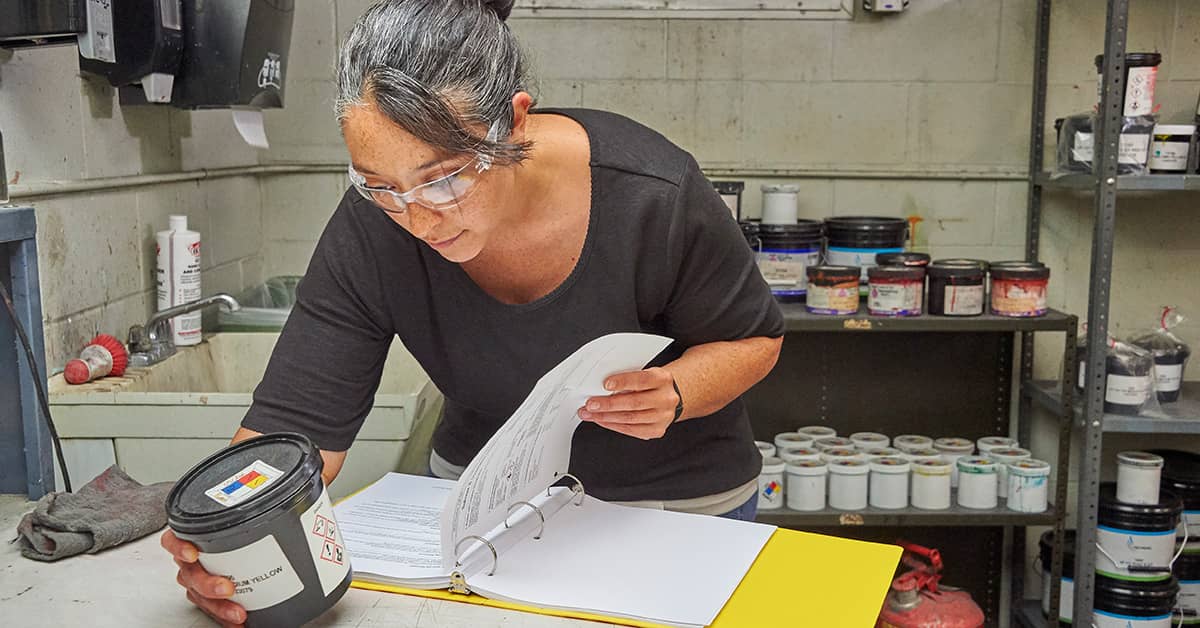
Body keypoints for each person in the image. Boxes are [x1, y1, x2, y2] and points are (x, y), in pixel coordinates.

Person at [161, 0, 784, 624]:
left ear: (514, 122)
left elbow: (752, 338)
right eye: (379, 184)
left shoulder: (653, 194)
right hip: (484, 511)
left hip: (675, 507)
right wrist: (223, 535)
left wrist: (674, 391)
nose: (418, 219)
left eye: (444, 179)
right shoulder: (375, 226)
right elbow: (296, 425)